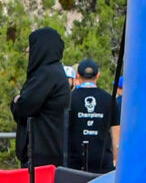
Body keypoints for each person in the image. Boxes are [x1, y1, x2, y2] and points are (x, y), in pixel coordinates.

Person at [11, 27, 71, 169]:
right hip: (48, 153)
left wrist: (16, 102)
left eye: (31, 46)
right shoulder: (54, 73)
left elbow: (24, 107)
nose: (27, 50)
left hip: (40, 157)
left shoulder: (46, 74)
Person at [67, 58, 117, 173]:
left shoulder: (69, 99)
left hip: (74, 165)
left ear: (78, 76)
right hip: (103, 164)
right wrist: (116, 159)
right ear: (98, 75)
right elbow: (116, 133)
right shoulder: (109, 99)